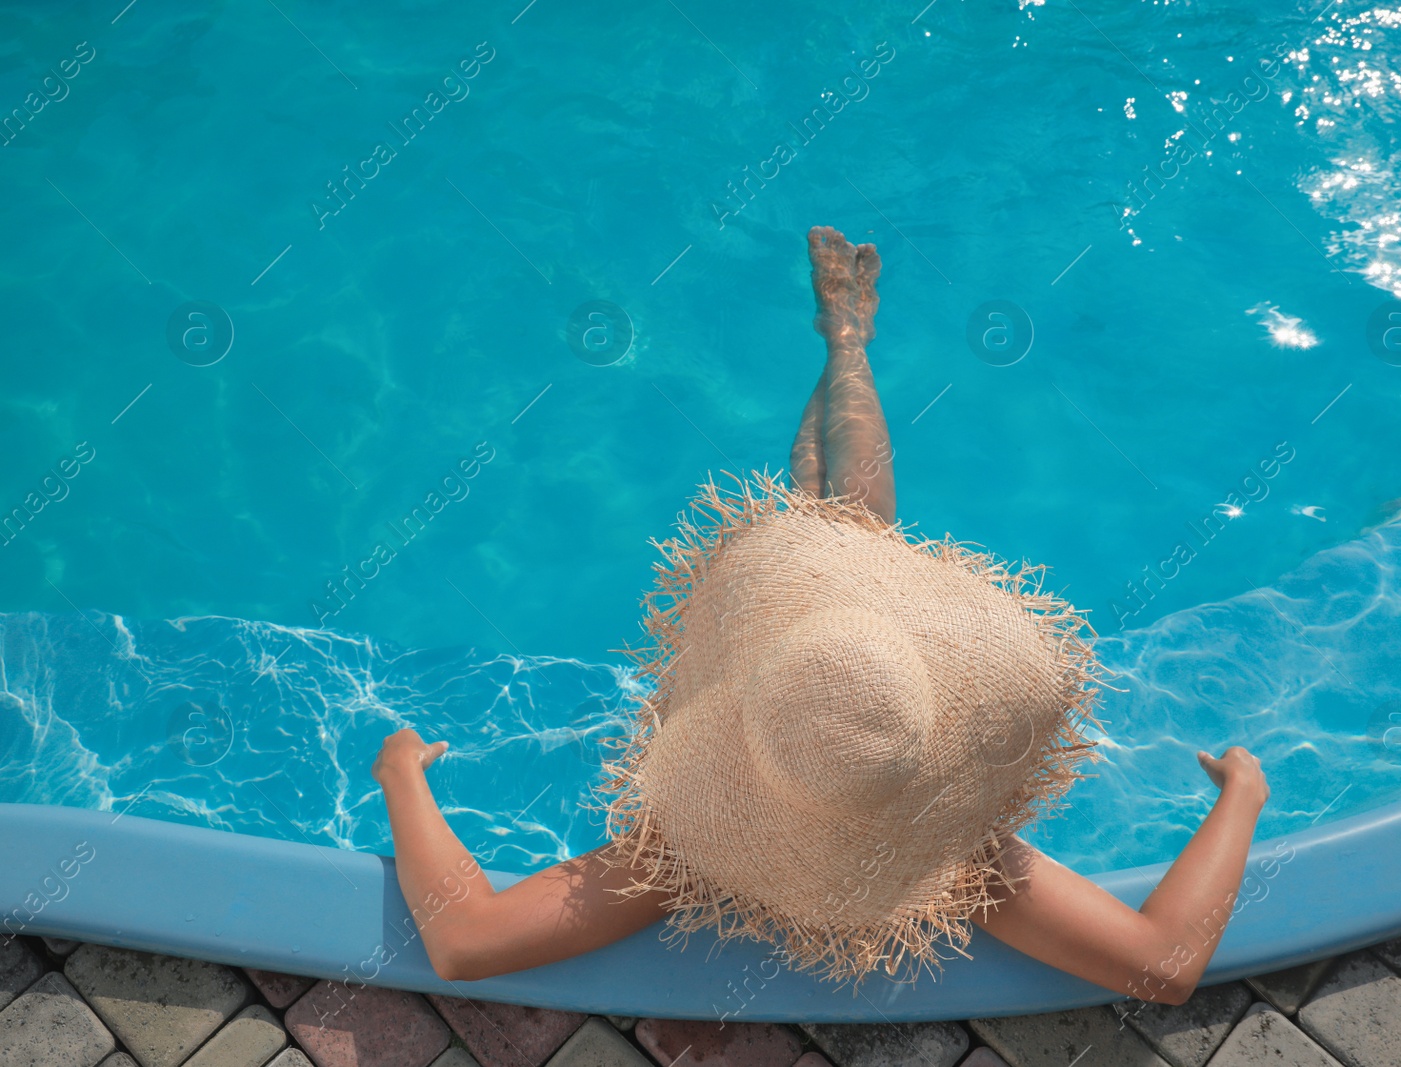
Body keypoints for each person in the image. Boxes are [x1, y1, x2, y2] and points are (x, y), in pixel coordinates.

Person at [372, 226, 1269, 1006]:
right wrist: (1242, 797)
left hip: (824, 680)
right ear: (928, 740)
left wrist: (402, 773)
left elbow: (468, 941)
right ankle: (847, 338)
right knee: (842, 529)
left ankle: (845, 336)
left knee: (827, 526)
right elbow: (1166, 963)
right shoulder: (964, 861)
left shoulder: (681, 854)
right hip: (860, 677)